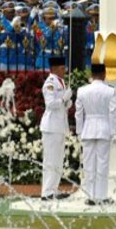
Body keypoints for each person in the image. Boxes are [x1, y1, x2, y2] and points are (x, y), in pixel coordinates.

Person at [75, 63, 116, 206]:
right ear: (104, 74)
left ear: (91, 74)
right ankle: (101, 196)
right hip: (104, 128)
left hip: (88, 129)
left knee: (88, 164)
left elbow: (78, 114)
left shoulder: (82, 91)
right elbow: (112, 113)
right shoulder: (110, 91)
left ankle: (90, 196)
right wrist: (114, 132)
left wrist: (79, 132)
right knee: (102, 164)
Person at [40, 56, 72, 201]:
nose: (64, 70)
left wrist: (67, 103)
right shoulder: (50, 83)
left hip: (59, 126)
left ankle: (54, 189)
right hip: (51, 126)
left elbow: (59, 105)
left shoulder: (62, 82)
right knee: (50, 160)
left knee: (58, 160)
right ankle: (46, 192)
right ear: (54, 69)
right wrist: (64, 99)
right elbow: (50, 104)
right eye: (62, 68)